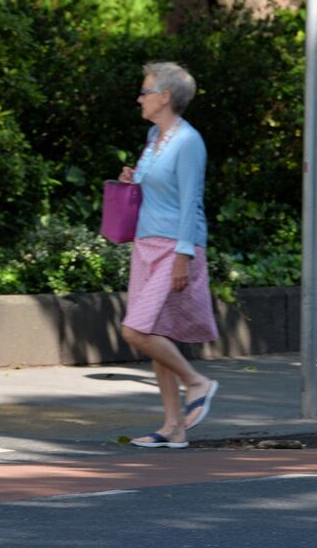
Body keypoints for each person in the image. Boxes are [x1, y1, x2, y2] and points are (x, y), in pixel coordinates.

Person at [117, 62, 219, 449]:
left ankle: (198, 383)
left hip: (175, 245)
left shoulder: (188, 141)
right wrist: (132, 180)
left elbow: (192, 200)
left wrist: (183, 254)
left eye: (145, 91)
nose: (139, 98)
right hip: (145, 245)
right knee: (154, 331)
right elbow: (160, 189)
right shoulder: (153, 135)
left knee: (136, 330)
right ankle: (173, 426)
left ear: (165, 96)